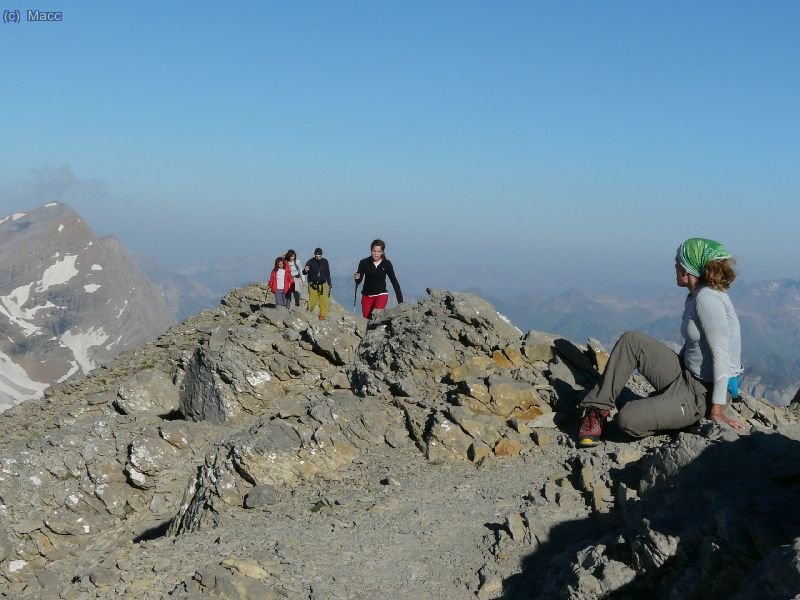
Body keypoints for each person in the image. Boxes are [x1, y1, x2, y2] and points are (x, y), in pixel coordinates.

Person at [577, 238, 744, 447]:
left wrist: (717, 410)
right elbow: (696, 345)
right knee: (632, 340)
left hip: (703, 392)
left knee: (627, 419)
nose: (675, 265)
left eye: (678, 261)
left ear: (688, 269)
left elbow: (721, 355)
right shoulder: (695, 295)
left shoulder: (707, 299)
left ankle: (681, 416)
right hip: (686, 374)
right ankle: (597, 409)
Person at [354, 239, 403, 319]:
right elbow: (358, 281)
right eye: (374, 251)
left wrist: (400, 302)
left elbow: (394, 282)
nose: (376, 254)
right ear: (371, 250)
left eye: (379, 251)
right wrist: (357, 278)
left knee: (376, 318)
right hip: (367, 296)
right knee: (366, 319)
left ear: (382, 252)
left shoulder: (387, 264)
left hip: (381, 295)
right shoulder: (364, 262)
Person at [303, 247, 331, 320]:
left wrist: (329, 284)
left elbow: (327, 273)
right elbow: (304, 272)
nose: (318, 257)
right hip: (313, 285)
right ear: (314, 255)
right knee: (312, 300)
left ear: (321, 255)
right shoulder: (310, 261)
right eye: (316, 256)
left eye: (319, 256)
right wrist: (305, 270)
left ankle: (322, 316)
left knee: (324, 300)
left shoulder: (325, 261)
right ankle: (310, 314)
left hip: (323, 284)